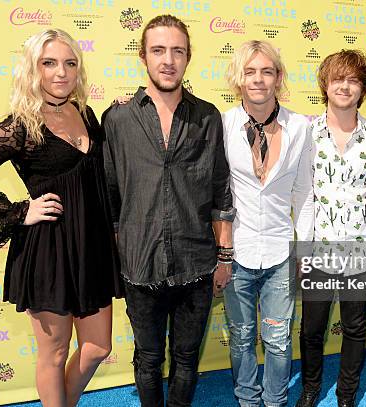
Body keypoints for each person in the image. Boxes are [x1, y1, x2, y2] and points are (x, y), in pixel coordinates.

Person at [0, 29, 123, 407]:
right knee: (54, 355)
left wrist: (122, 114)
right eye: (50, 63)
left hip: (91, 247)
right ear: (33, 70)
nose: (61, 72)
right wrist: (20, 211)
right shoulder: (20, 125)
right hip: (48, 250)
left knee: (97, 347)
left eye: (70, 63)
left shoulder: (86, 114)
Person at [101, 14, 235, 407]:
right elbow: (111, 196)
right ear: (143, 56)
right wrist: (118, 256)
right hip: (139, 266)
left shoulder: (207, 115)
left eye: (177, 51)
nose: (168, 60)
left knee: (187, 360)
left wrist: (224, 256)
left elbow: (220, 189)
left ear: (188, 58)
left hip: (196, 262)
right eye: (158, 50)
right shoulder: (118, 119)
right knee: (147, 359)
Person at [296, 50, 366, 407]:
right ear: (325, 83)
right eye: (338, 78)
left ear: (363, 88)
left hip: (360, 249)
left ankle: (347, 394)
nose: (345, 86)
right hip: (317, 249)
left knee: (354, 327)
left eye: (353, 80)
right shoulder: (305, 135)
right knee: (311, 330)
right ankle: (310, 389)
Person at [221, 40, 314, 407]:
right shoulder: (223, 124)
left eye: (266, 71)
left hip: (280, 252)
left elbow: (304, 193)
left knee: (278, 339)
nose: (258, 79)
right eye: (250, 71)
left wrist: (305, 249)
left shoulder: (299, 127)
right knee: (241, 336)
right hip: (236, 252)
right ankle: (247, 399)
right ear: (239, 79)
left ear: (278, 77)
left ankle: (275, 401)